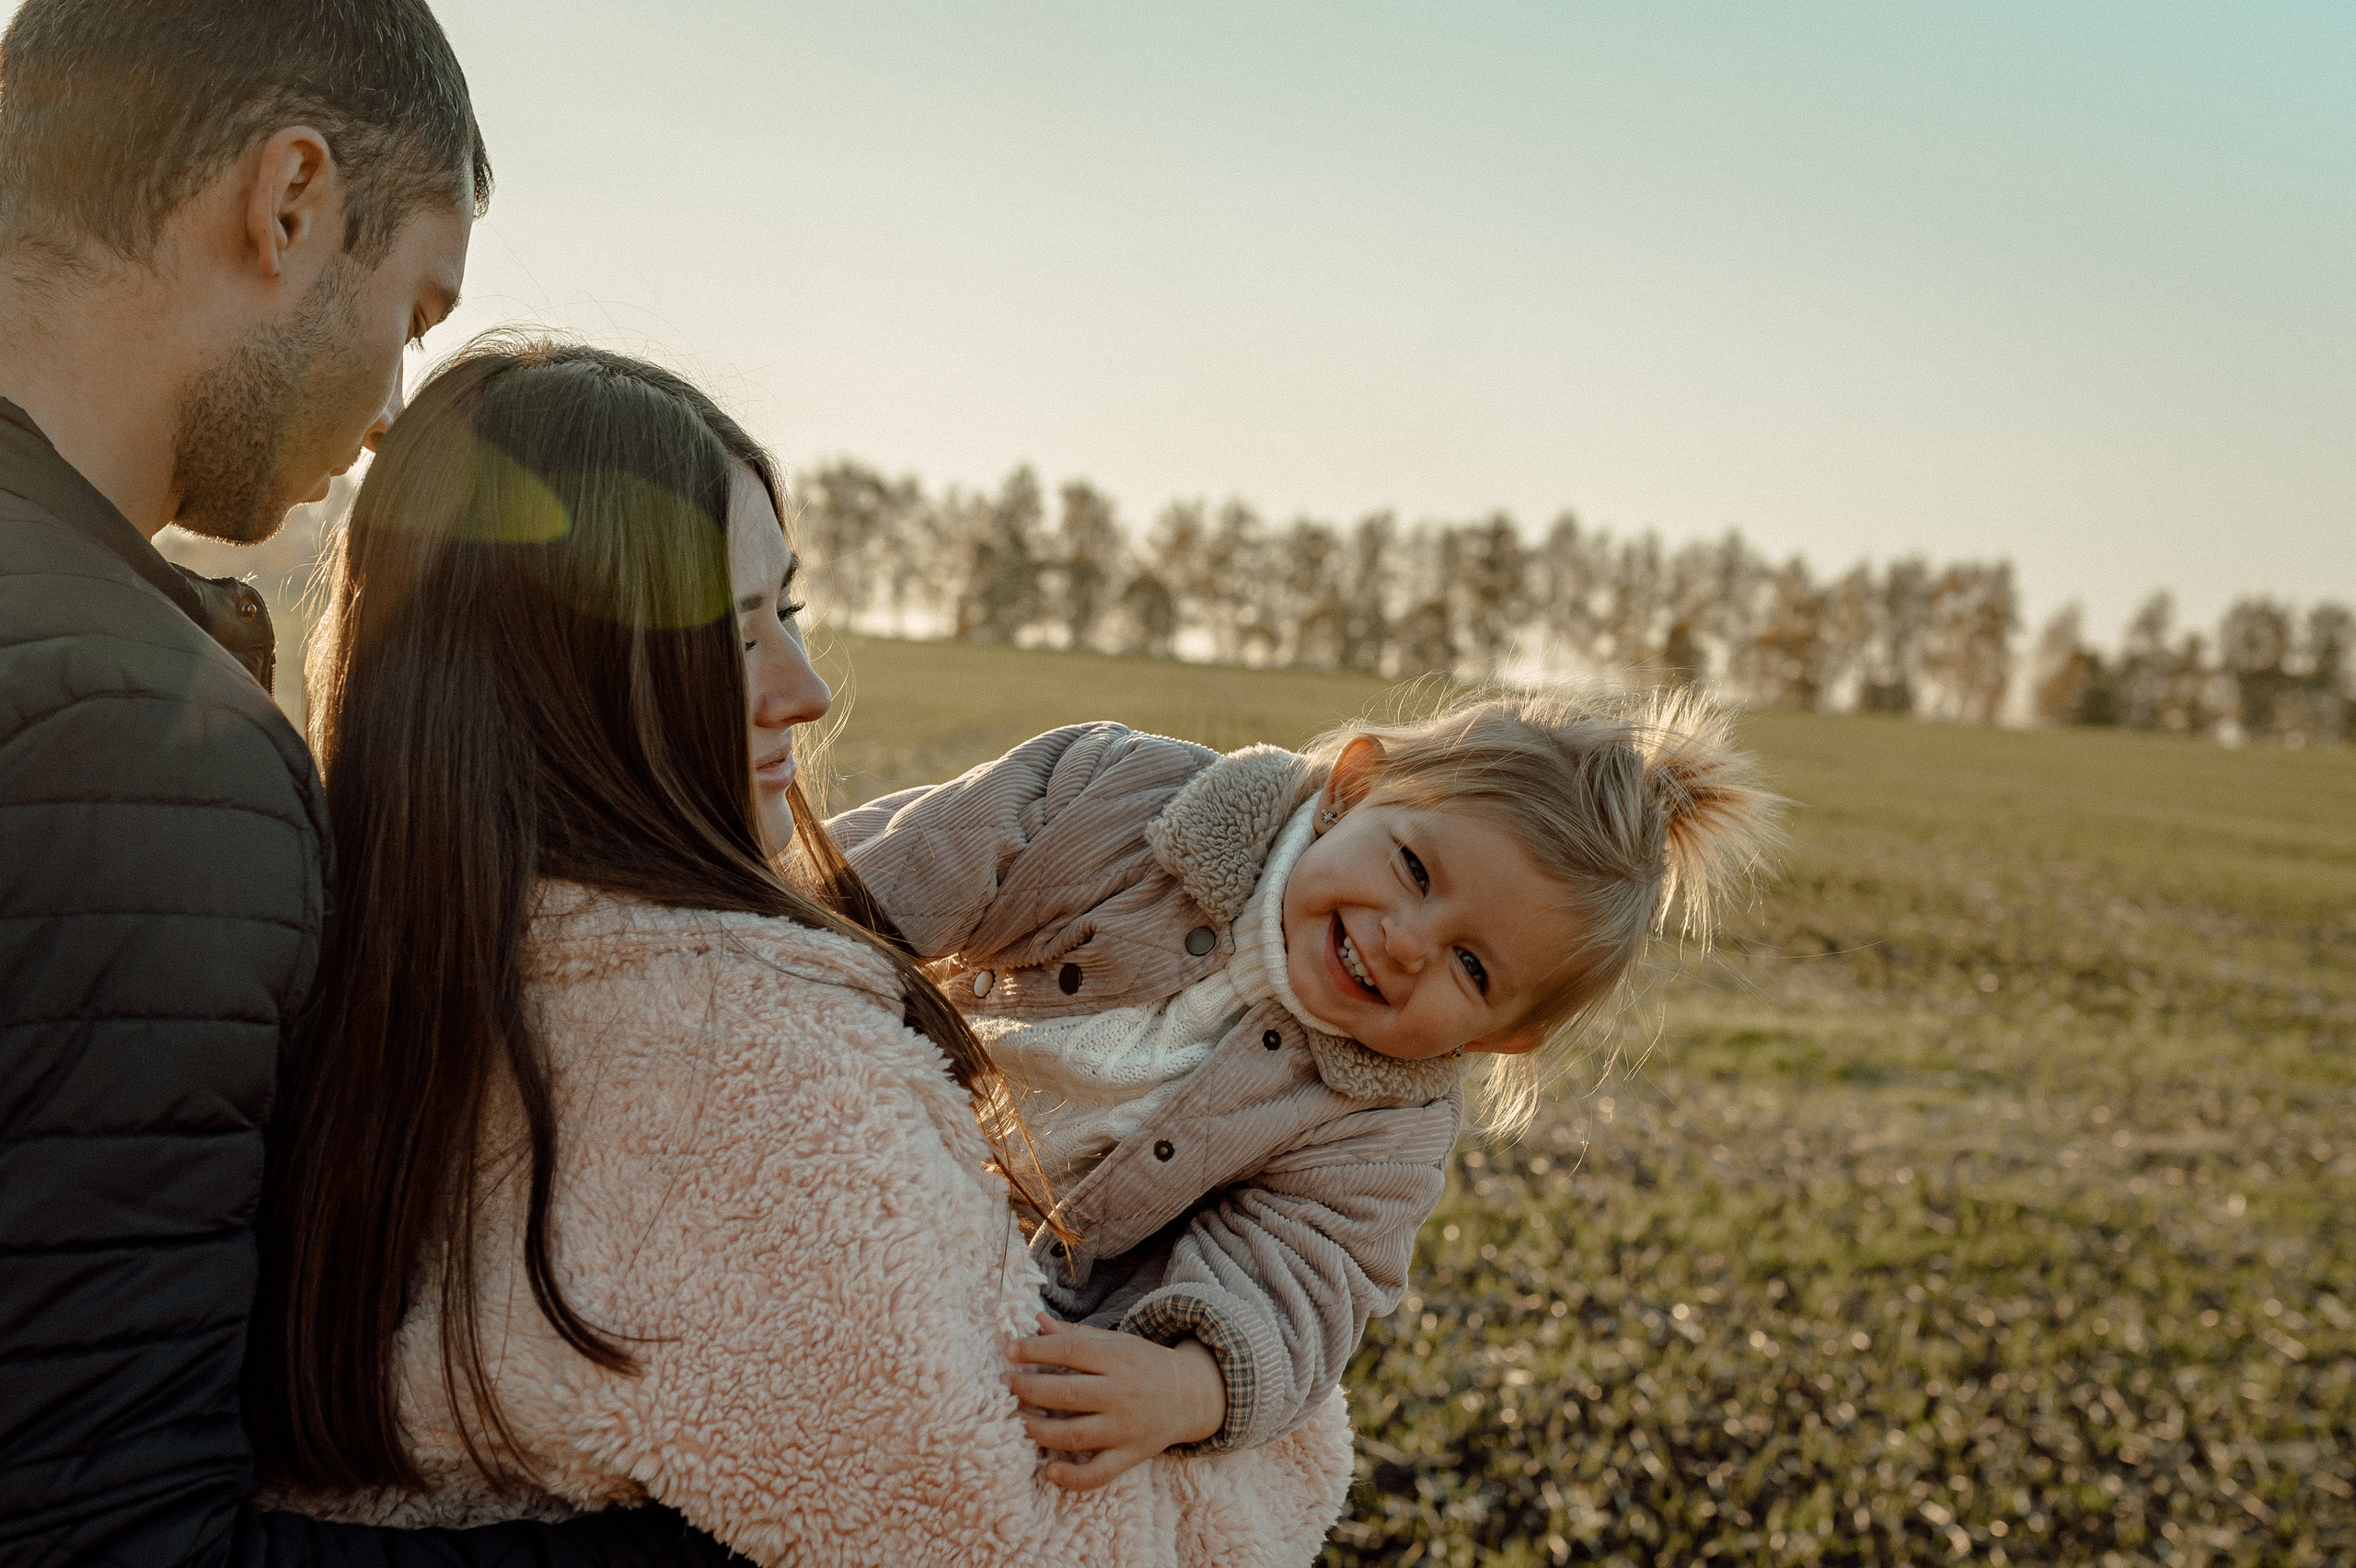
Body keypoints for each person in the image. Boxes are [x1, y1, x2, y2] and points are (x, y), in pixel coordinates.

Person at [252, 337, 1352, 1566]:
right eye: (737, 636)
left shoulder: (361, 942)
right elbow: (1038, 1544)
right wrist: (1282, 1424)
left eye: (794, 613)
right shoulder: (753, 1068)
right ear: (573, 684)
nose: (809, 687)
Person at [0, 3, 737, 1562]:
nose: (398, 396)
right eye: (413, 305)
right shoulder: (133, 737)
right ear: (289, 203)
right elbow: (109, 1541)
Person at [826, 691, 1783, 1485]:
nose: (1407, 943)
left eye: (1472, 968)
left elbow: (1302, 1279)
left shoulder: (1384, 1122)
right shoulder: (1118, 797)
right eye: (1412, 868)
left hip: (1027, 1279)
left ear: (1499, 1036)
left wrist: (1183, 1385)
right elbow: (872, 883)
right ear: (1354, 786)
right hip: (858, 1112)